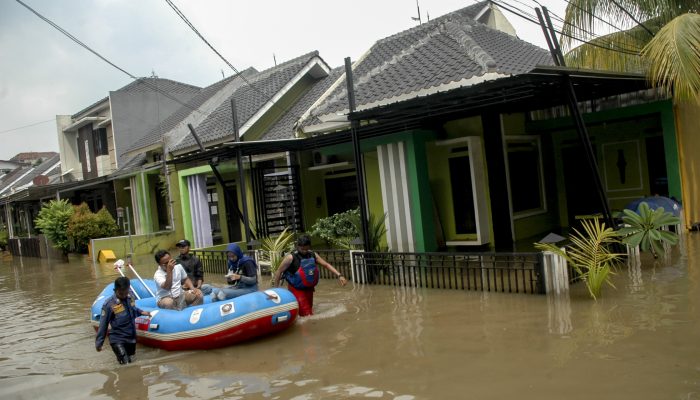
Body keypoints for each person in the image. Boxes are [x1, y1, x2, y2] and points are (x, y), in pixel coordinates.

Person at [272, 235, 347, 316]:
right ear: (298, 246)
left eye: (306, 249)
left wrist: (340, 275)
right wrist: (276, 291)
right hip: (296, 288)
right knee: (307, 315)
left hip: (308, 288)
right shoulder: (290, 258)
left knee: (308, 311)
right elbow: (278, 272)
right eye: (302, 249)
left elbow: (326, 265)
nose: (304, 251)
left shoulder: (312, 254)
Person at [95, 276, 151, 364]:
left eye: (126, 292)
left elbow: (133, 309)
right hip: (117, 338)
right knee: (126, 364)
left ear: (129, 289)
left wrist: (141, 312)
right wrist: (99, 343)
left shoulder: (130, 297)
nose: (124, 296)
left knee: (131, 361)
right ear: (115, 290)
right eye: (121, 294)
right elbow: (103, 324)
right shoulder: (109, 304)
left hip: (131, 337)